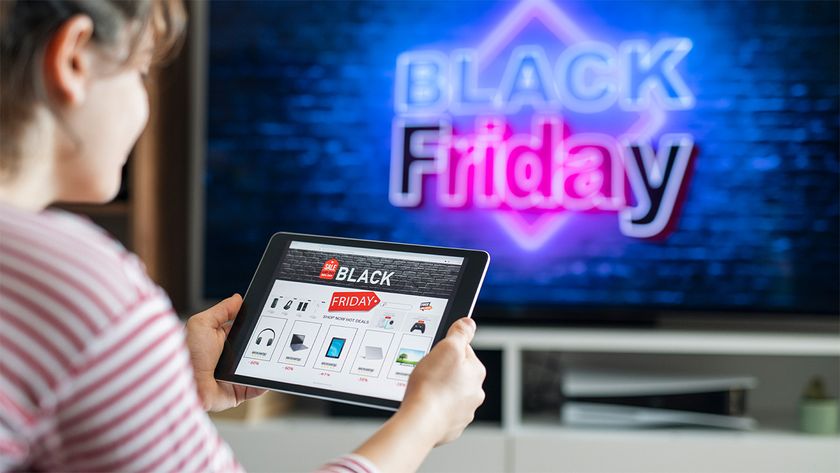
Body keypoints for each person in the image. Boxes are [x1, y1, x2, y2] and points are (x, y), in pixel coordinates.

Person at [0, 1, 487, 471]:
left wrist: (166, 389)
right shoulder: (80, 286)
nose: (143, 107)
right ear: (73, 58)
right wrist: (426, 416)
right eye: (141, 71)